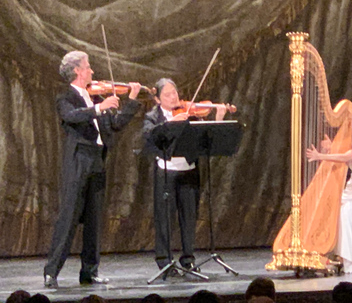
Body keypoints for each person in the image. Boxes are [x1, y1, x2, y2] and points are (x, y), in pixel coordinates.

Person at [43, 51, 142, 287]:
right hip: (79, 160)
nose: (93, 72)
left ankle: (90, 271)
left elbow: (115, 124)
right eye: (88, 67)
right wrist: (99, 109)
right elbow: (71, 117)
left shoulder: (98, 99)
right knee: (69, 217)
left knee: (94, 219)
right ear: (77, 70)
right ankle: (51, 271)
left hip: (97, 159)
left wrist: (133, 100)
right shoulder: (66, 98)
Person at [141, 78, 226, 272]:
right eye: (167, 94)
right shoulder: (152, 117)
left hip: (189, 171)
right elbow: (149, 135)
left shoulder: (190, 113)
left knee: (189, 218)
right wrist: (172, 122)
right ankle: (165, 262)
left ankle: (188, 259)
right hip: (166, 172)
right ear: (158, 99)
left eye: (175, 93)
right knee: (165, 218)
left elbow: (207, 137)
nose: (173, 97)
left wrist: (218, 117)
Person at [306, 105, 352, 273]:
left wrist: (321, 155)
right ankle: (334, 254)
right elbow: (341, 154)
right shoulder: (348, 140)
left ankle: (347, 259)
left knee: (347, 212)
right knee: (333, 210)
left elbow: (346, 157)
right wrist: (330, 148)